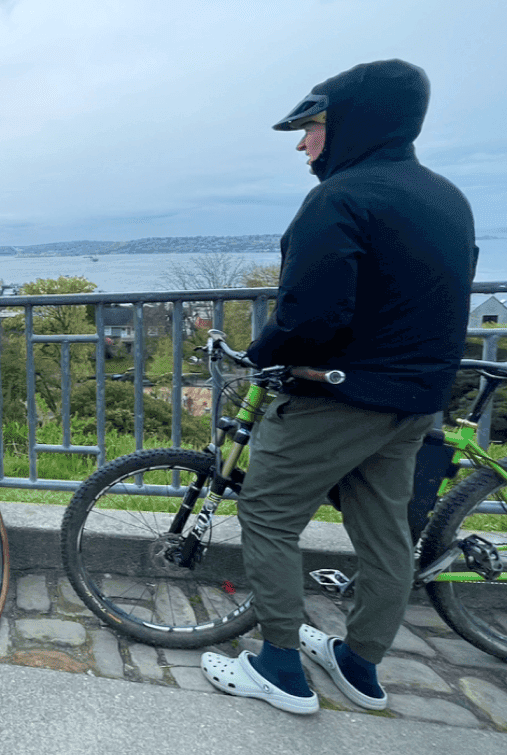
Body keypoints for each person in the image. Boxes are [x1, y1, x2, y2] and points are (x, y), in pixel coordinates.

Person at [200, 60, 477, 714]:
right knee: (384, 536)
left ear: (352, 122)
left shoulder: (341, 198)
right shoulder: (449, 199)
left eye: (312, 127)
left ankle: (279, 669)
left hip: (336, 395)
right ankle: (360, 663)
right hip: (414, 402)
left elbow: (311, 314)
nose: (302, 144)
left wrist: (262, 353)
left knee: (266, 515)